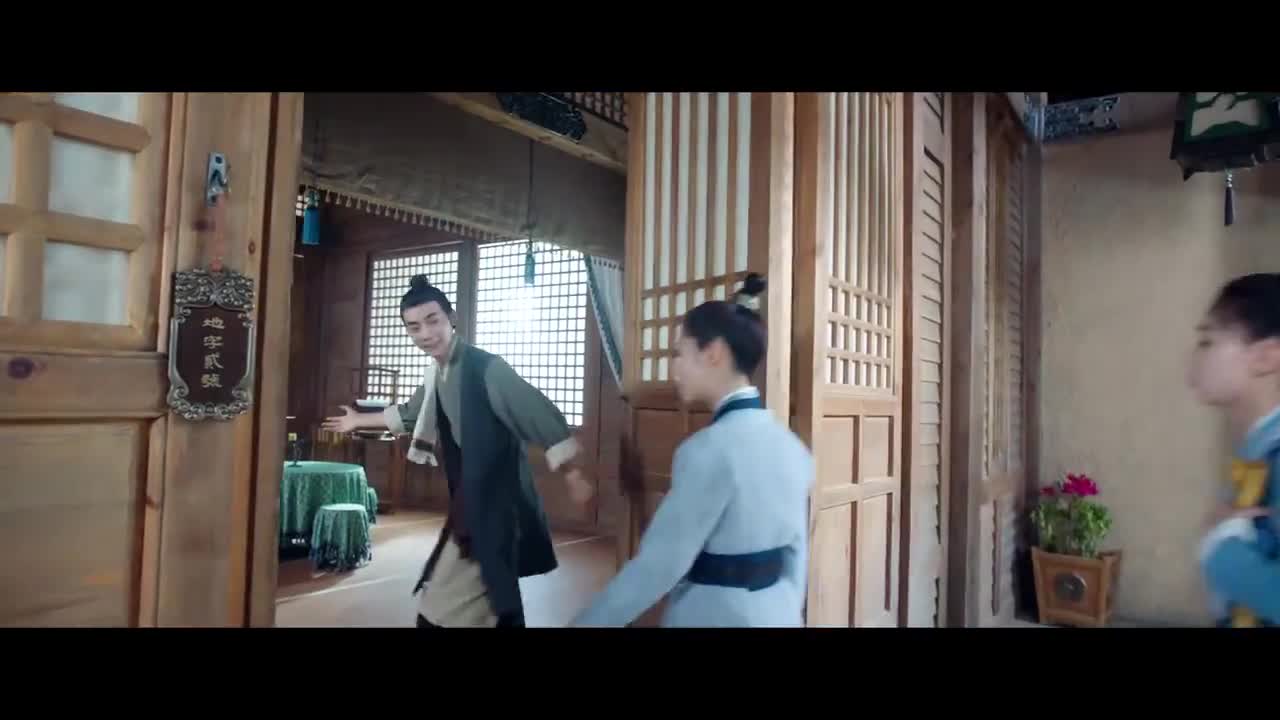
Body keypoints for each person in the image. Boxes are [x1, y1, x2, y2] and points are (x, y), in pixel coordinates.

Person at [322, 274, 593, 628]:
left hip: (497, 502)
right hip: (472, 498)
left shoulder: (487, 369)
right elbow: (410, 413)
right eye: (414, 327)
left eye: (432, 320)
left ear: (451, 318)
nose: (425, 334)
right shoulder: (437, 374)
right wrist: (358, 420)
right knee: (491, 595)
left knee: (455, 599)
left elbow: (538, 414)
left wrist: (574, 474)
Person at [570, 273, 813, 627]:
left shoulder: (706, 451)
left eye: (679, 352)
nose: (675, 367)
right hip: (779, 613)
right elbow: (796, 557)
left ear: (713, 354)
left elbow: (659, 566)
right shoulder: (793, 447)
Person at [1188, 273, 1280, 627]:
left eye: (1207, 340)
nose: (1194, 356)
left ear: (1266, 357)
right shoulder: (1255, 450)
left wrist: (1220, 548)